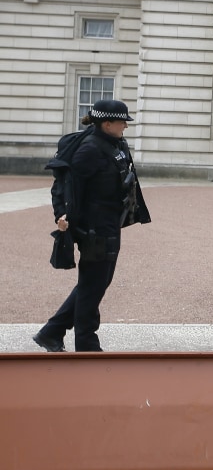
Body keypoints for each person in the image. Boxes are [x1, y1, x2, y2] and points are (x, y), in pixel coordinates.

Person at [34, 99, 151, 352]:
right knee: (93, 284)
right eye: (122, 122)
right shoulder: (89, 149)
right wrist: (62, 215)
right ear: (106, 123)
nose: (125, 127)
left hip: (109, 223)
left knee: (97, 282)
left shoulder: (113, 143)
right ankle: (86, 344)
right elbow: (63, 185)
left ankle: (52, 331)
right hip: (94, 227)